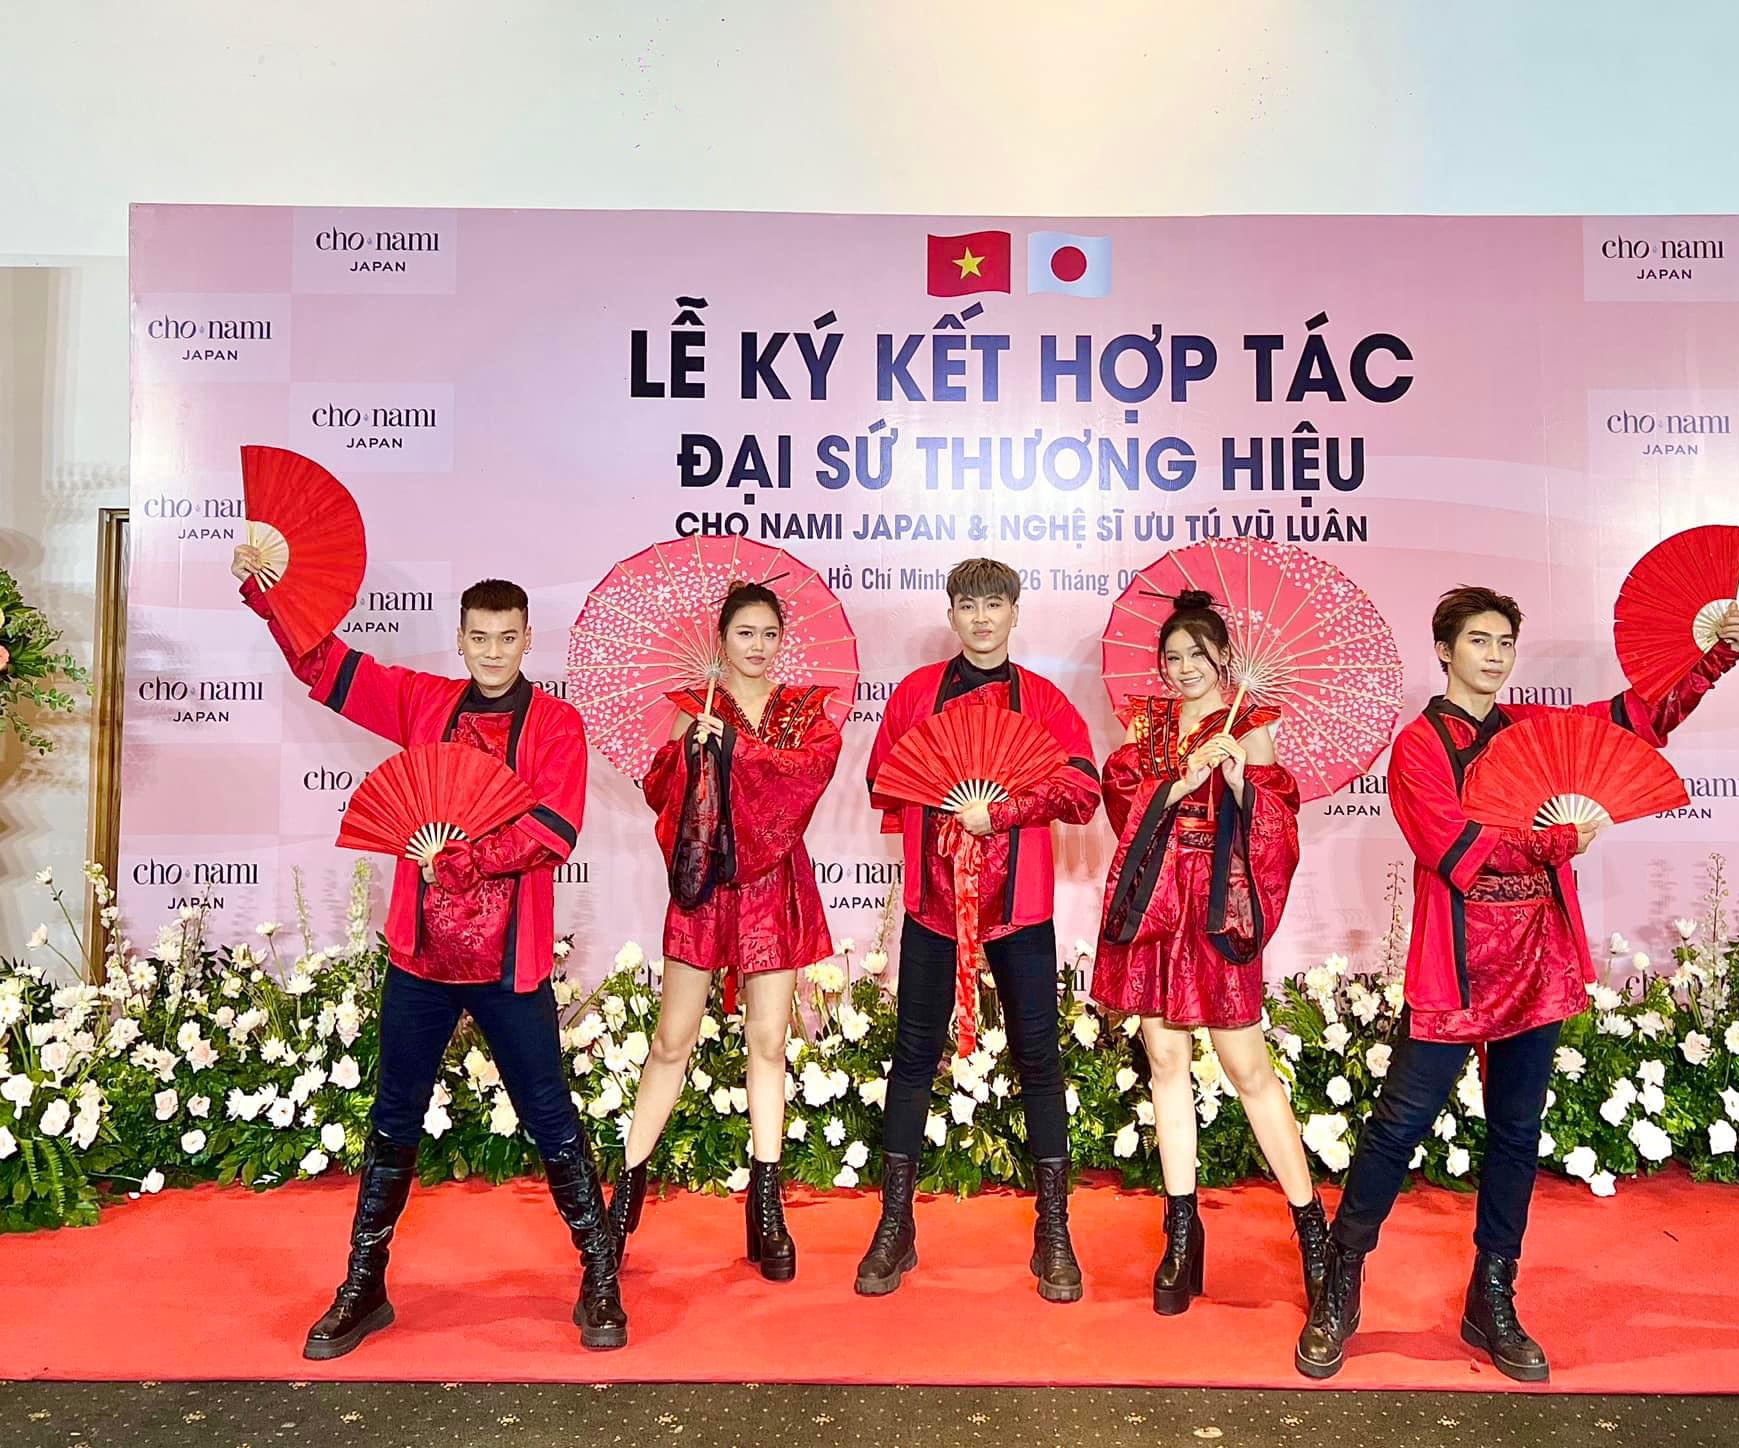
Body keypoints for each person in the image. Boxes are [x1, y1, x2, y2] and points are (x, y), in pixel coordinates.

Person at [1295, 584, 1739, 1381]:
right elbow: (1458, 851)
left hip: (1538, 959)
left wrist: (1714, 659)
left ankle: (1492, 1295)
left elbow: (1636, 722)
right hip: (1457, 965)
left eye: (1505, 641)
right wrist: (1553, 841)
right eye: (1479, 640)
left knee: (1515, 1134)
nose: (1495, 655)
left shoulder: (1535, 730)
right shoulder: (1419, 748)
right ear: (1445, 651)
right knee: (1398, 1128)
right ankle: (1342, 1276)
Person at [229, 547, 625, 1356]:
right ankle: (364, 1285)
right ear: (460, 637)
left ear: (527, 639)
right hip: (420, 959)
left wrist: (473, 857)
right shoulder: (423, 701)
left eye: (506, 638)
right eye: (479, 637)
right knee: (393, 1118)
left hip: (509, 964)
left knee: (550, 1116)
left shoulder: (557, 724)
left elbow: (555, 828)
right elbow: (326, 665)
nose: (492, 652)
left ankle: (599, 1275)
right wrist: (272, 593)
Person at [855, 557, 1102, 1301]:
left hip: (1020, 906)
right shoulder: (915, 695)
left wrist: (1005, 810)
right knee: (912, 1057)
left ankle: (1054, 1231)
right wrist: (940, 797)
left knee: (1039, 1060)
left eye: (995, 604)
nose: (982, 618)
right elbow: (882, 779)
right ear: (952, 616)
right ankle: (895, 1225)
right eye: (968, 605)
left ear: (1015, 613)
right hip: (935, 904)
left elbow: (1083, 790)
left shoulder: (1045, 700)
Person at [1089, 589, 1324, 1315]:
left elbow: (1279, 829)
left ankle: (1313, 1232)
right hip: (1159, 904)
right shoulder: (1149, 724)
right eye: (1173, 657)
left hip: (1220, 904)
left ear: (1224, 658)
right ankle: (1182, 1235)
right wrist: (1178, 783)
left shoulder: (1252, 724)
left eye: (1197, 654)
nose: (1184, 667)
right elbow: (1122, 802)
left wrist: (1240, 783)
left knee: (1248, 1069)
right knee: (1165, 1063)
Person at [606, 582, 843, 1281]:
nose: (758, 646)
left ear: (782, 639)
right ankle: (623, 1202)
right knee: (670, 1041)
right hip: (706, 889)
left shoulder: (804, 713)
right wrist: (691, 753)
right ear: (722, 640)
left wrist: (737, 749)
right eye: (745, 633)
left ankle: (766, 1209)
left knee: (769, 1044)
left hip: (773, 889)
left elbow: (807, 777)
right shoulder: (694, 710)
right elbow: (662, 796)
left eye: (769, 633)